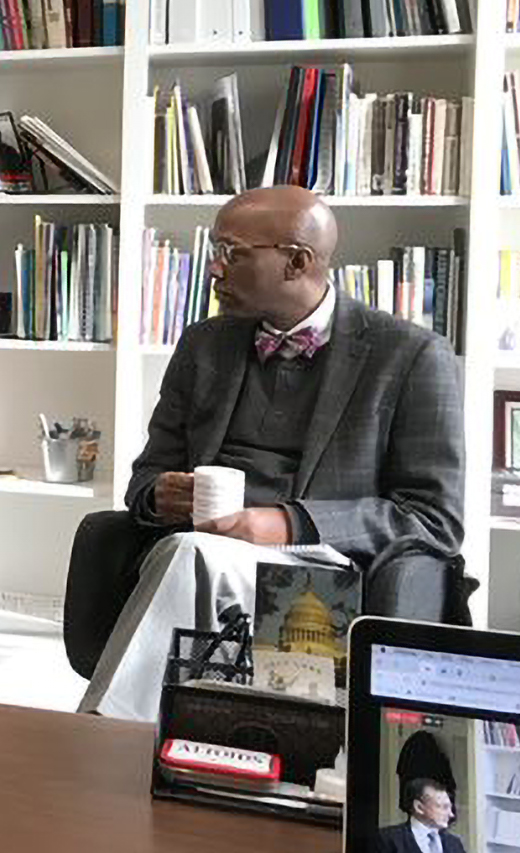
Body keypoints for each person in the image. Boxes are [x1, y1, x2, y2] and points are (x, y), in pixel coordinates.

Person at [72, 185, 464, 720]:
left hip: (320, 568)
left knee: (187, 554)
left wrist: (287, 524)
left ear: (296, 262)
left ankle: (105, 731)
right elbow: (144, 479)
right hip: (198, 548)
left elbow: (434, 518)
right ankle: (189, 744)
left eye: (231, 253)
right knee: (188, 551)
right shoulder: (203, 345)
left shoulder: (412, 356)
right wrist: (158, 496)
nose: (213, 269)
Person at [376, 779, 469, 853]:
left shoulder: (454, 843)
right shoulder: (388, 840)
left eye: (450, 807)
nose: (451, 814)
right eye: (443, 807)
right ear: (419, 807)